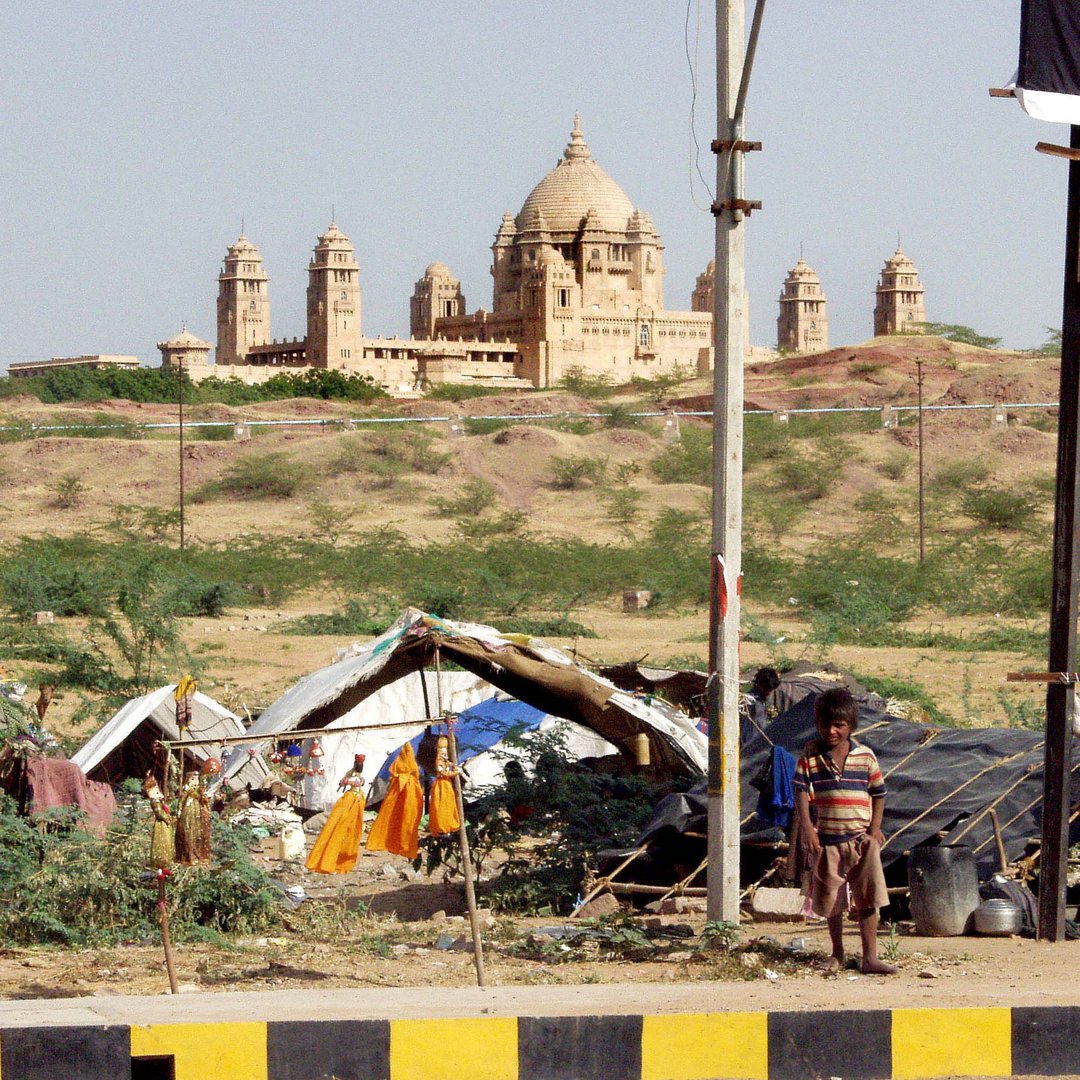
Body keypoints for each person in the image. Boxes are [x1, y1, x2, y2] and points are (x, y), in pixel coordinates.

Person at [793, 686, 897, 975]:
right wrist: (808, 831)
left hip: (860, 840)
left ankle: (870, 957)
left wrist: (875, 830)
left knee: (867, 899)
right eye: (825, 724)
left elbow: (879, 793)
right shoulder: (811, 756)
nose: (832, 731)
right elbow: (801, 792)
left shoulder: (865, 757)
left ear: (850, 725)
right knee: (832, 901)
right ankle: (837, 953)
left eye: (839, 725)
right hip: (827, 840)